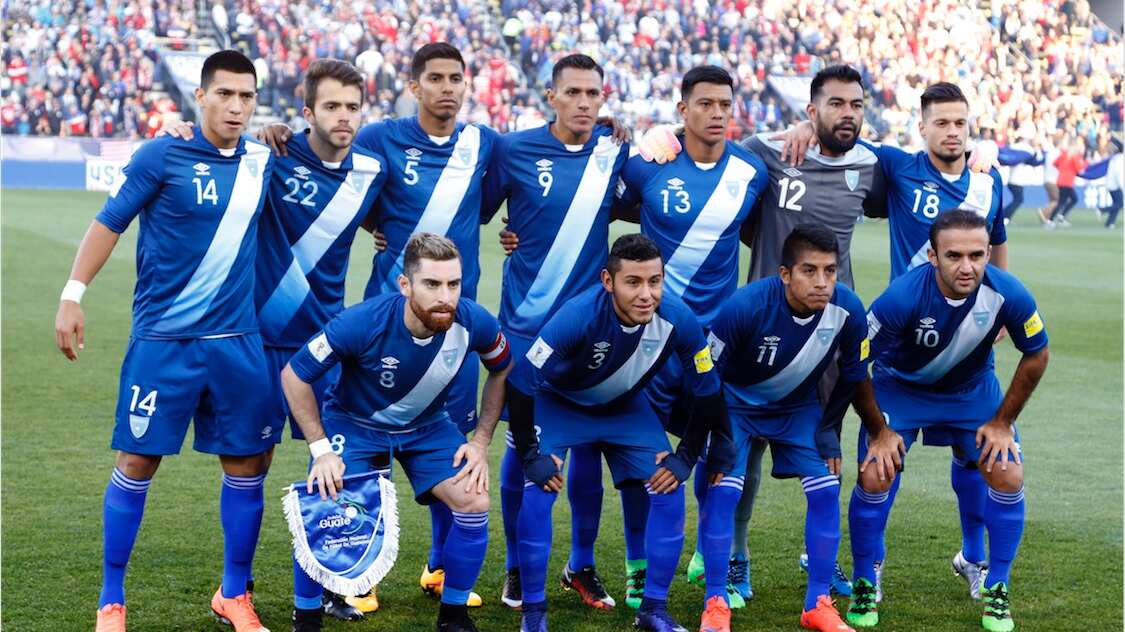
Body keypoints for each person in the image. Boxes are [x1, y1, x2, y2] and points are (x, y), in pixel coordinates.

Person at [260, 42, 497, 607]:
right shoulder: (376, 138)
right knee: (365, 454)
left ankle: (440, 567)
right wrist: (278, 131)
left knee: (452, 453)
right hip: (386, 317)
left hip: (452, 326)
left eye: (456, 78)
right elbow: (346, 182)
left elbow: (506, 195)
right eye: (435, 78)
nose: (447, 87)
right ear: (414, 86)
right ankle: (354, 572)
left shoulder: (485, 142)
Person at [54, 50, 276, 632]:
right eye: (224, 94)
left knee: (246, 464)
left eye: (246, 96)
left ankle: (234, 594)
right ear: (199, 96)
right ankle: (111, 599)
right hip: (164, 341)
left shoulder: (262, 158)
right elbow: (109, 222)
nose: (236, 106)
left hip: (236, 341)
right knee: (137, 460)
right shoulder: (162, 153)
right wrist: (72, 294)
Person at [282, 233, 512, 632]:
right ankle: (307, 618)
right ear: (406, 285)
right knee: (328, 501)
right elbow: (294, 375)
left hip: (428, 427)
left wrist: (480, 442)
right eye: (432, 284)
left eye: (453, 284)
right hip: (355, 425)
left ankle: (454, 617)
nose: (445, 296)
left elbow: (502, 368)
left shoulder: (474, 321)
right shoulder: (362, 322)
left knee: (474, 501)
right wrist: (321, 450)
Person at [506, 234, 734, 632]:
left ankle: (654, 610)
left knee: (668, 486)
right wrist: (530, 456)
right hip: (561, 404)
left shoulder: (678, 319)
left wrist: (686, 456)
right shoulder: (578, 315)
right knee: (540, 491)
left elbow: (708, 387)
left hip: (624, 409)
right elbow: (522, 380)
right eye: (633, 282)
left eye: (655, 281)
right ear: (608, 281)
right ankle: (534, 614)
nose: (646, 294)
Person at [846, 210, 1048, 631]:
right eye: (954, 256)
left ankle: (994, 583)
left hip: (971, 392)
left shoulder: (1008, 293)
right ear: (933, 256)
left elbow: (1037, 353)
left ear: (989, 252)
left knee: (1006, 472)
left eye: (976, 255)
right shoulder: (902, 297)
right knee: (876, 474)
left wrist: (1003, 422)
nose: (966, 266)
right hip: (902, 389)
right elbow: (854, 361)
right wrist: (880, 431)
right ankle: (867, 575)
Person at [479, 53, 631, 611]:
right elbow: (478, 211)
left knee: (586, 444)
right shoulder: (514, 149)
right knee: (522, 446)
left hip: (590, 328)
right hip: (525, 325)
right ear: (552, 97)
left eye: (594, 93)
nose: (584, 103)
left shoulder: (613, 151)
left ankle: (580, 565)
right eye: (573, 92)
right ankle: (517, 569)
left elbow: (649, 194)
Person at [615, 64, 769, 613]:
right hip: (651, 340)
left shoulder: (751, 171)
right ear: (682, 110)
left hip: (715, 343)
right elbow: (598, 206)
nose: (717, 113)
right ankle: (637, 568)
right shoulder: (649, 163)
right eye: (705, 103)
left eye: (725, 103)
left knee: (716, 451)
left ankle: (711, 551)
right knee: (644, 457)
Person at [707, 224, 905, 632]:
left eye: (830, 271)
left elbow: (853, 375)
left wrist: (829, 429)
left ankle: (817, 603)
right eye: (809, 271)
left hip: (797, 409)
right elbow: (708, 379)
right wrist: (719, 437)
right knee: (724, 489)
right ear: (785, 274)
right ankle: (715, 602)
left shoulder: (848, 310)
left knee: (827, 488)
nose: (822, 282)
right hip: (736, 407)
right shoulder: (744, 307)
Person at [1046, 139, 1088, 228]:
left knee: (1063, 201)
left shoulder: (1064, 155)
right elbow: (1079, 169)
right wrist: (1086, 163)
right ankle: (1055, 218)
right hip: (1067, 182)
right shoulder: (1075, 156)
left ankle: (1056, 219)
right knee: (1073, 200)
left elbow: (1055, 163)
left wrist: (1062, 169)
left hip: (1060, 180)